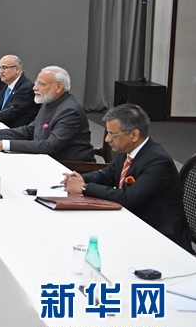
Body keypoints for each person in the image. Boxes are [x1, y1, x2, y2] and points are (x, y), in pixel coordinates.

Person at [62, 104, 192, 252]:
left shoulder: (158, 162)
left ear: (134, 135)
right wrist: (78, 179)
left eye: (112, 134)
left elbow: (129, 198)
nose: (107, 139)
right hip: (133, 222)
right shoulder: (128, 151)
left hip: (161, 238)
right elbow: (106, 175)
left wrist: (84, 188)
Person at [0, 66, 94, 162]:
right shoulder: (50, 103)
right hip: (47, 159)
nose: (35, 88)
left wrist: (3, 145)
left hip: (68, 167)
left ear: (58, 87)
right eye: (36, 83)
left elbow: (50, 145)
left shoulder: (69, 111)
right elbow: (30, 130)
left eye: (41, 84)